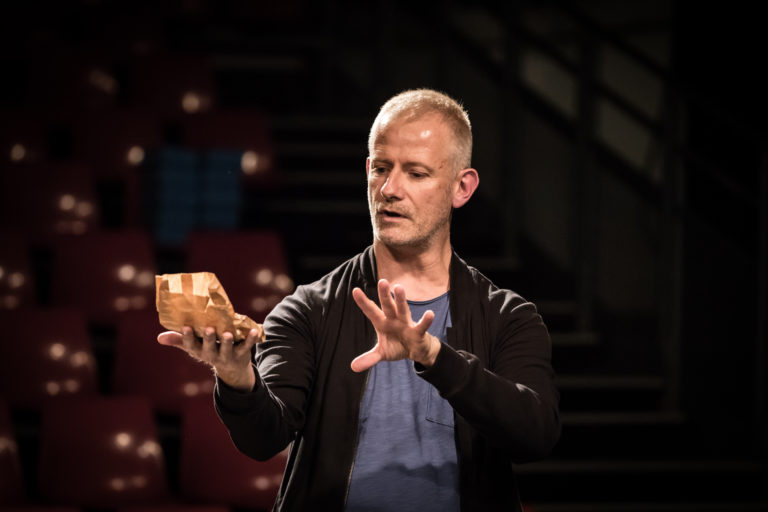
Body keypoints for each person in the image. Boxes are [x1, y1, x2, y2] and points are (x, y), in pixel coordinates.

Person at [157, 88, 560, 511]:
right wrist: (238, 377)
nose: (390, 188)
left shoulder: (509, 317)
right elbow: (263, 438)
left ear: (462, 187)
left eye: (416, 173)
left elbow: (535, 435)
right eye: (381, 168)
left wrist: (434, 356)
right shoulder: (307, 310)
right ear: (368, 170)